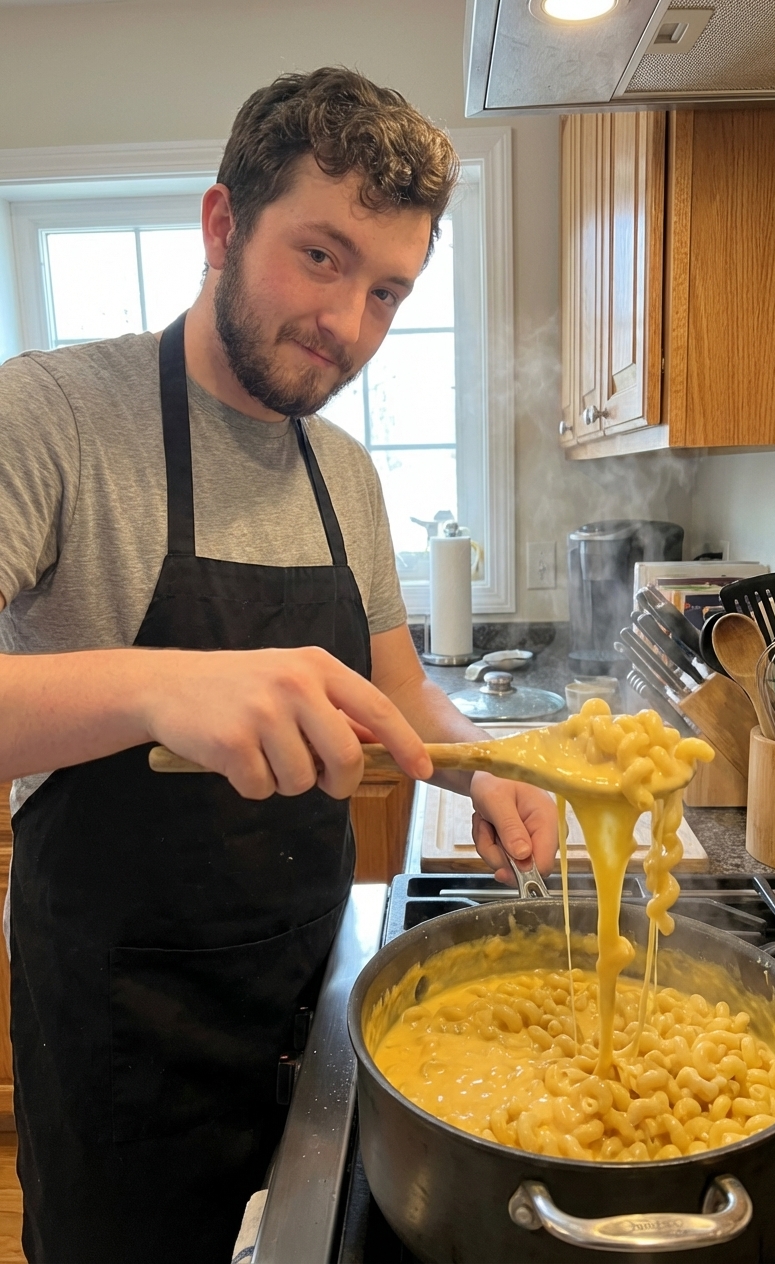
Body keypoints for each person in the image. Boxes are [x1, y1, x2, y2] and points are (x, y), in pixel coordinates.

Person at [0, 67, 557, 1264]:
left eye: (387, 291)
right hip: (119, 1049)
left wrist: (488, 767)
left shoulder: (344, 471)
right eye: (319, 257)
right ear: (223, 225)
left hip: (316, 1017)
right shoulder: (51, 417)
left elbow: (400, 690)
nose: (349, 325)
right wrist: (160, 685)